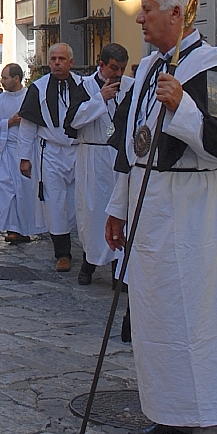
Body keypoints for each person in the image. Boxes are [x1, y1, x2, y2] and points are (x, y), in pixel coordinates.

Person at [104, 0, 217, 434]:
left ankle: (206, 418)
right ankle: (167, 411)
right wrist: (118, 206)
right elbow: (132, 146)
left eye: (148, 9)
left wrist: (186, 111)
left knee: (200, 314)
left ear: (177, 12)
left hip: (194, 212)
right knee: (158, 315)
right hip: (150, 207)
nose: (140, 16)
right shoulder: (147, 70)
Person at [67, 42, 131, 286]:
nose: (118, 74)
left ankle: (119, 271)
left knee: (119, 210)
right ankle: (89, 263)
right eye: (113, 68)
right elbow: (72, 120)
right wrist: (99, 99)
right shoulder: (84, 87)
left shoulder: (129, 87)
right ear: (101, 64)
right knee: (92, 213)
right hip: (92, 157)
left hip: (117, 156)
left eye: (122, 69)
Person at [17, 43, 81, 272]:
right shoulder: (39, 88)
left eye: (61, 59)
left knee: (81, 199)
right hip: (51, 152)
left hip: (78, 150)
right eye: (53, 59)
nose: (56, 63)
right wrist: (25, 157)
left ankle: (87, 246)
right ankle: (62, 253)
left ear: (70, 62)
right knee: (55, 201)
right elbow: (27, 126)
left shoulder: (84, 86)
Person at [0, 63, 45, 245]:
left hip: (26, 151)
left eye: (5, 78)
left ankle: (26, 229)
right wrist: (8, 122)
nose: (2, 81)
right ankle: (12, 228)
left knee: (25, 191)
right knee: (7, 190)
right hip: (7, 151)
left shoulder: (30, 97)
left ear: (16, 79)